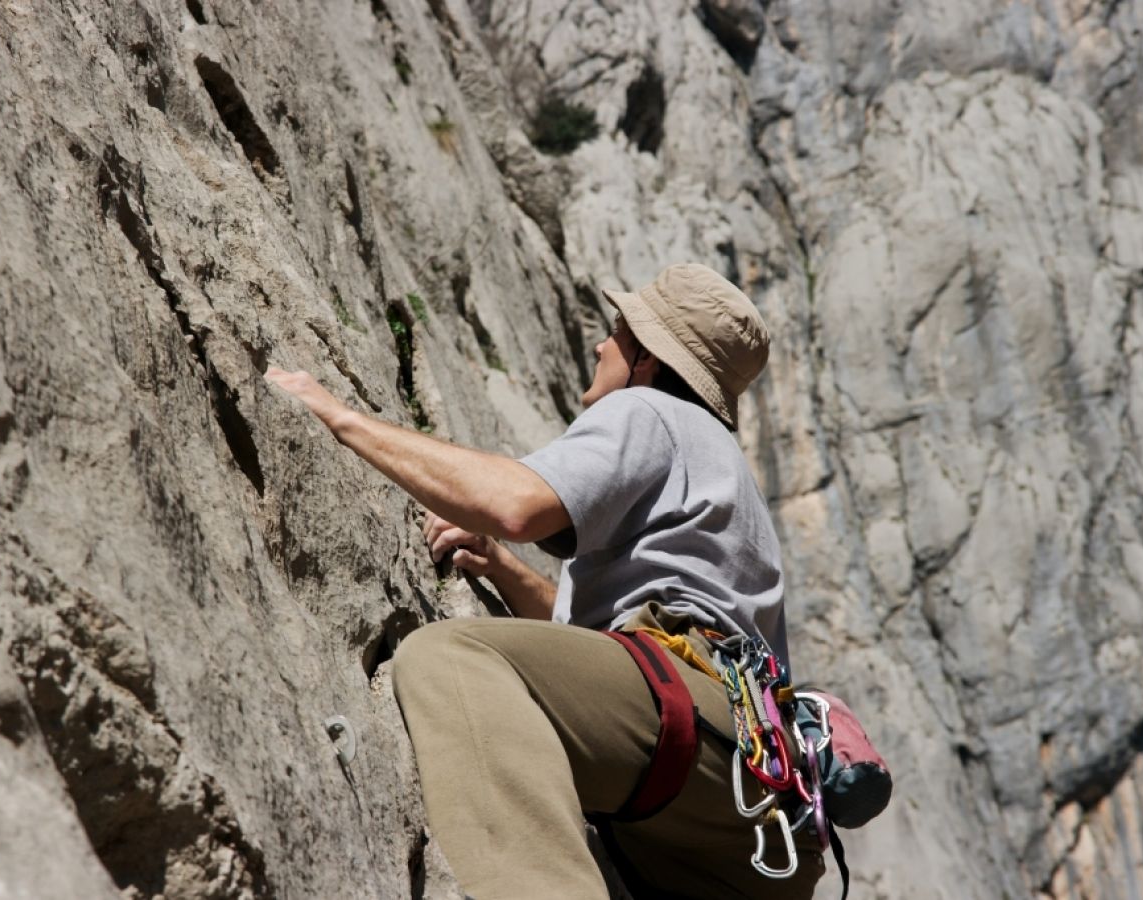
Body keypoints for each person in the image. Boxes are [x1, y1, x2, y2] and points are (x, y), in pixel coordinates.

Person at [266, 263, 823, 899]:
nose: (600, 345)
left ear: (645, 356)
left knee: (452, 655)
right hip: (760, 801)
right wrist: (502, 568)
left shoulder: (651, 409)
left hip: (681, 725)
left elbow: (515, 505)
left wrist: (340, 417)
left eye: (617, 332)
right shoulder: (729, 477)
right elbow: (598, 656)